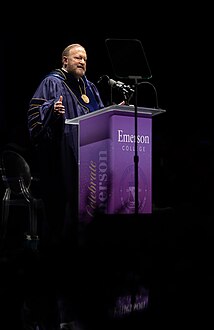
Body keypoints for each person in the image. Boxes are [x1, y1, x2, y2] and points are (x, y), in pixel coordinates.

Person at [25, 43, 105, 330]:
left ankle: (82, 270)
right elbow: (34, 117)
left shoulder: (91, 88)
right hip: (61, 161)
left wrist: (112, 114)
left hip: (90, 162)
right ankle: (55, 281)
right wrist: (51, 109)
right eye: (77, 57)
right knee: (62, 218)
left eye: (85, 57)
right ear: (65, 59)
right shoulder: (51, 82)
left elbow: (98, 118)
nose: (82, 61)